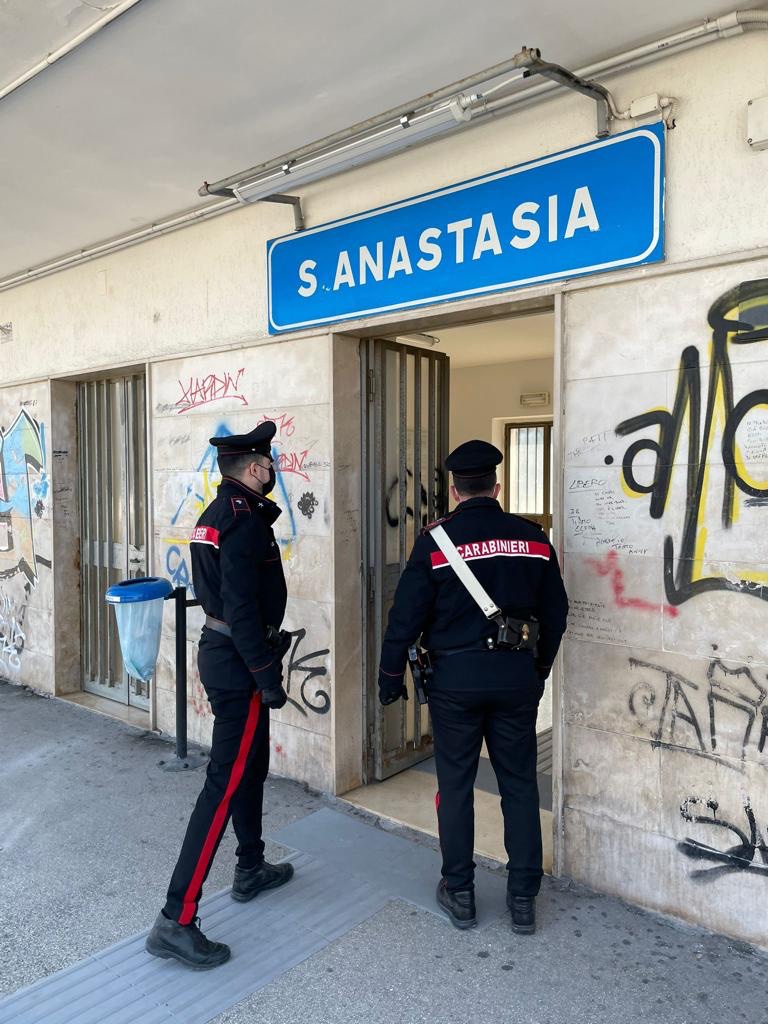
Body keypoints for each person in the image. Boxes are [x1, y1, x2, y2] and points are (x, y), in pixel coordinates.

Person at [378, 439, 568, 935]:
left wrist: (389, 676)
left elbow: (404, 618)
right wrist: (538, 668)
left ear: (454, 490)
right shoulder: (533, 539)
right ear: (496, 487)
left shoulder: (435, 542)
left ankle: (460, 892)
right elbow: (556, 614)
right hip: (515, 680)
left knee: (457, 787)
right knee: (519, 786)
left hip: (455, 685)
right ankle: (523, 898)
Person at [146, 421, 294, 969]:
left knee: (250, 769)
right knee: (223, 786)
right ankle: (176, 918)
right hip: (238, 661)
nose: (274, 471)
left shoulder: (216, 514)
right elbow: (240, 605)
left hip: (227, 652)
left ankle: (250, 866)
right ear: (255, 468)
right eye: (270, 464)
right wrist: (266, 675)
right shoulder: (243, 521)